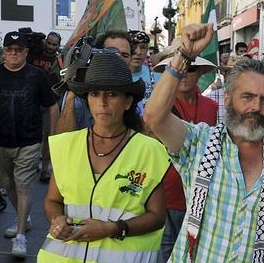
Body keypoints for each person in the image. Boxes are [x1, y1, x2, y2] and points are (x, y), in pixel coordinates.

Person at [145, 25, 264, 262]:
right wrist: (183, 55)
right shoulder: (200, 143)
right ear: (227, 98)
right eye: (247, 97)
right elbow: (154, 117)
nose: (256, 107)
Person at [38, 51, 169, 262]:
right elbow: (53, 200)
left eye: (112, 94)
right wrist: (56, 219)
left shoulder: (150, 150)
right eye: (95, 93)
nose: (102, 102)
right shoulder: (66, 145)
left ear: (127, 102)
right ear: (87, 100)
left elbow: (157, 217)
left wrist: (113, 228)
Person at [0, 31, 59, 258]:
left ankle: (21, 236)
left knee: (23, 186)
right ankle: (25, 217)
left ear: (26, 52)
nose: (13, 54)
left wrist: (53, 132)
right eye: (9, 49)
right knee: (5, 182)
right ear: (4, 51)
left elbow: (52, 105)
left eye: (18, 50)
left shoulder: (37, 76)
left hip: (29, 142)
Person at [151, 55, 218, 263]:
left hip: (200, 192)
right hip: (166, 188)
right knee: (164, 247)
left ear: (199, 74)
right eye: (179, 69)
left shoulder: (212, 107)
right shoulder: (160, 106)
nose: (183, 75)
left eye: (190, 70)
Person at [57, 30, 132, 133]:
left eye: (124, 55)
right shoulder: (80, 96)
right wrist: (72, 94)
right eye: (111, 53)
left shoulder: (135, 91)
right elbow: (63, 141)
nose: (118, 59)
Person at [28, 31, 62, 183]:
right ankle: (30, 166)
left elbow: (62, 82)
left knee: (48, 138)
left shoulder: (59, 61)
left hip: (49, 104)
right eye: (49, 43)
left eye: (54, 44)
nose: (51, 46)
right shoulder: (35, 54)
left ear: (58, 46)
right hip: (31, 102)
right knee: (30, 135)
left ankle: (45, 170)